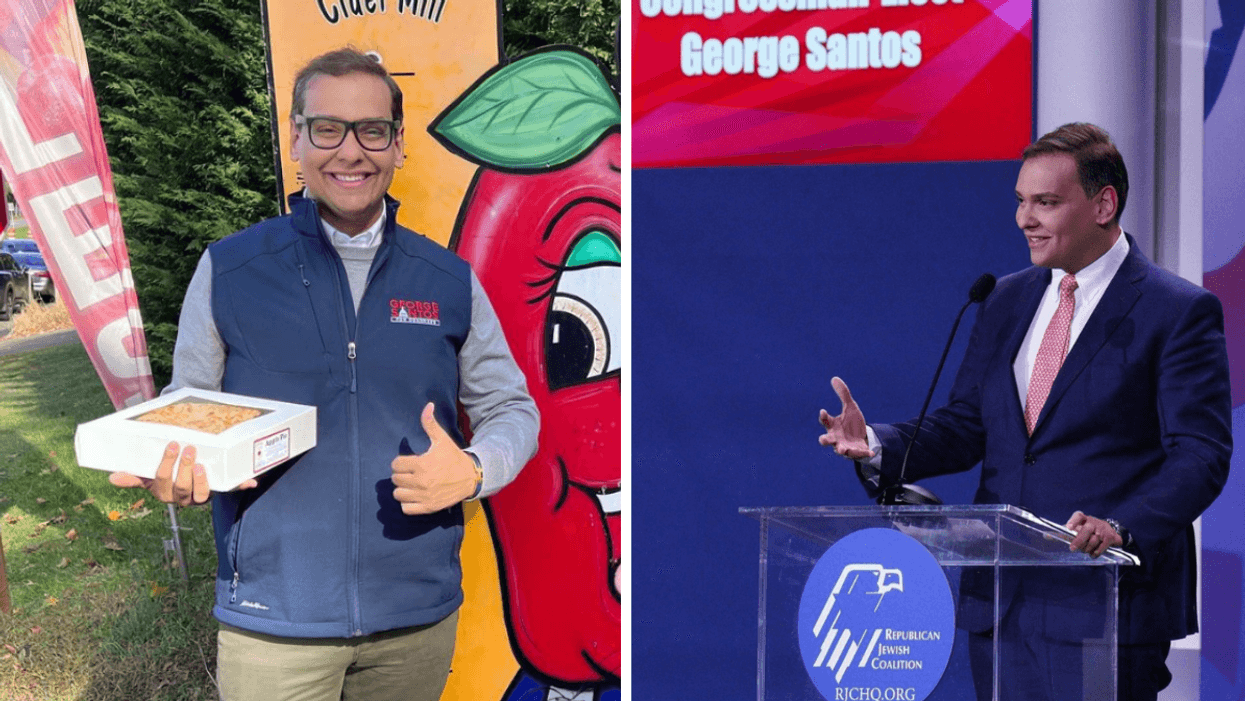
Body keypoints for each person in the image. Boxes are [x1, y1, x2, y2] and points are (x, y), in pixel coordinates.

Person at [109, 47, 539, 701]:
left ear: (398, 145)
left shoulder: (448, 280)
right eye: (327, 128)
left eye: (371, 130)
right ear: (297, 138)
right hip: (271, 624)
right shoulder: (229, 270)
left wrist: (477, 468)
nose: (349, 151)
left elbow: (512, 407)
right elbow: (187, 405)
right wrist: (176, 461)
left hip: (413, 622)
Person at [818, 123, 1231, 701]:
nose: (1024, 219)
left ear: (1104, 203)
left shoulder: (1175, 311)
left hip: (1105, 598)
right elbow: (968, 426)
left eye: (1046, 202)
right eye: (1020, 201)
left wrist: (1122, 525)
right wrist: (879, 444)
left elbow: (1201, 455)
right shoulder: (1006, 299)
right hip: (1003, 601)